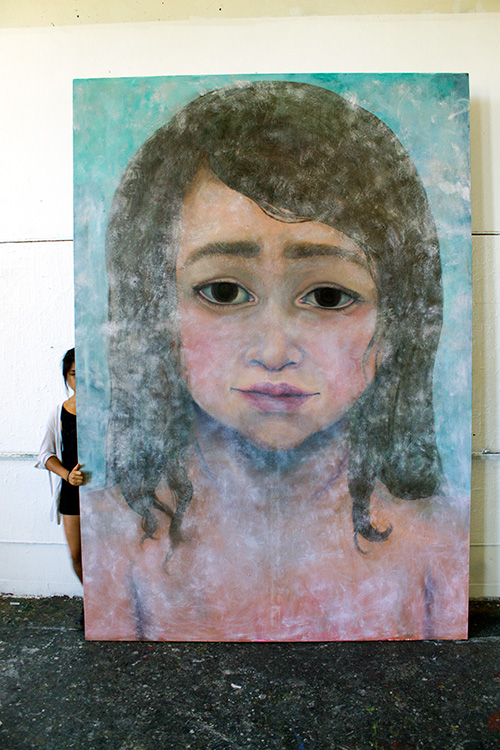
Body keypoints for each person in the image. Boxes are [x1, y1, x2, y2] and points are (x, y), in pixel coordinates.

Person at [82, 81, 469, 641]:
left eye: (328, 297)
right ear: (156, 311)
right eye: (222, 292)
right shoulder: (114, 543)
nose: (273, 351)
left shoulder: (436, 546)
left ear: (396, 322)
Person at [37, 348, 84, 585]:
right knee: (77, 555)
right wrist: (67, 475)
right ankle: (92, 599)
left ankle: (106, 603)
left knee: (108, 553)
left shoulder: (107, 411)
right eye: (75, 373)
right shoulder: (59, 413)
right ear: (66, 376)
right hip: (72, 490)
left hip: (104, 491)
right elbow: (45, 455)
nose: (80, 379)